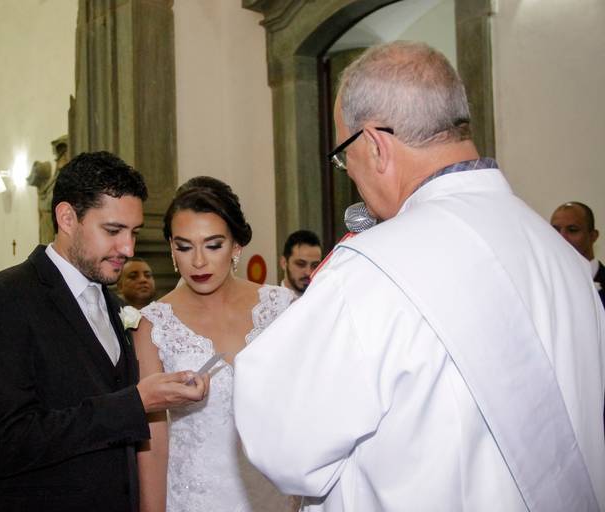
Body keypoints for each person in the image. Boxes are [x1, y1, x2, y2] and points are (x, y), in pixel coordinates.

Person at [234, 41, 605, 511]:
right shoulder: (561, 257)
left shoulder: (373, 270)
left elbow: (282, 443)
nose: (350, 173)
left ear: (374, 144)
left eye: (344, 155)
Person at [0, 151, 209, 512]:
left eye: (134, 232)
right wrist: (135, 403)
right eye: (113, 231)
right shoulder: (3, 298)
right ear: (67, 218)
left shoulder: (113, 306)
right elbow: (8, 443)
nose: (128, 248)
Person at [135, 176, 295, 512]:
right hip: (193, 499)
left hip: (272, 492)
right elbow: (154, 440)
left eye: (212, 245)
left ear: (236, 246)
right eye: (184, 246)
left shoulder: (282, 307)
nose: (198, 261)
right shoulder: (155, 325)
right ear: (171, 249)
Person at [551, 201, 605, 306]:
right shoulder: (542, 284)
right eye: (555, 231)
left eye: (572, 230)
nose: (561, 238)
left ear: (593, 236)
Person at [279, 230, 322, 297]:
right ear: (284, 263)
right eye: (301, 264)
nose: (309, 273)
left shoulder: (325, 302)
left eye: (315, 266)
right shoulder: (266, 305)